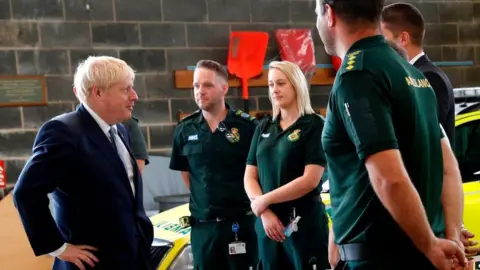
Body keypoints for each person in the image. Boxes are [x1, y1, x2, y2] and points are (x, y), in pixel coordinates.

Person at [315, 0, 466, 269]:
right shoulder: (412, 73)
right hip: (414, 251)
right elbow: (447, 168)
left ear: (329, 13)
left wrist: (432, 245)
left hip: (378, 256)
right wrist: (448, 239)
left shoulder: (358, 74)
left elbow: (389, 178)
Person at [13, 56, 154, 270]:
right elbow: (26, 192)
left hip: (131, 256)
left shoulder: (120, 130)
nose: (134, 96)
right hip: (92, 263)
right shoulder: (63, 132)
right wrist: (58, 247)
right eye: (125, 89)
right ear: (98, 92)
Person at [381, 2, 479, 261]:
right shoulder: (421, 74)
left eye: (384, 39)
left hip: (427, 209)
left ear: (403, 38)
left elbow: (429, 152)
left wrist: (450, 225)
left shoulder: (424, 78)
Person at [169, 60, 259, 270]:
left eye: (207, 85)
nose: (200, 91)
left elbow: (259, 172)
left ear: (224, 88)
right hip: (203, 228)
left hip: (240, 224)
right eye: (196, 85)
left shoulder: (246, 127)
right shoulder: (185, 129)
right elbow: (186, 172)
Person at [244, 60, 329, 270]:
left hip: (303, 223)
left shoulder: (314, 125)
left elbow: (310, 180)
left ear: (296, 85)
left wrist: (264, 201)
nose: (275, 89)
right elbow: (249, 177)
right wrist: (265, 212)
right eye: (271, 84)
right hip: (267, 225)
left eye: (281, 83)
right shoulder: (263, 126)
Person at [380, 3, 455, 150]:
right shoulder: (416, 73)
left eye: (384, 39)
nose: (380, 46)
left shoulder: (429, 77)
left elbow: (422, 137)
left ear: (403, 38)